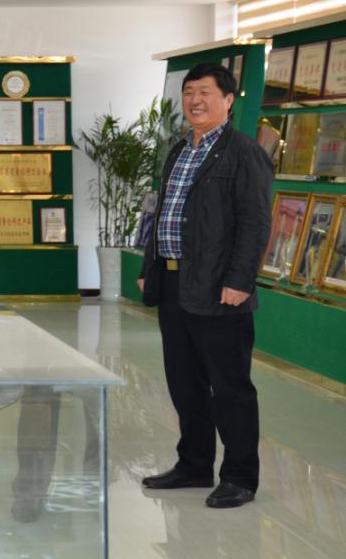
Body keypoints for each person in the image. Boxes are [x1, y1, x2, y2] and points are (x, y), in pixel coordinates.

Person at [137, 62, 272, 509]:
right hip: (175, 284)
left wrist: (240, 280)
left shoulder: (244, 153)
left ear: (228, 100)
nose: (195, 100)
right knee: (185, 383)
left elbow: (255, 223)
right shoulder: (179, 150)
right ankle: (194, 465)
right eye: (189, 91)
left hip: (220, 289)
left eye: (205, 92)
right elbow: (164, 213)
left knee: (229, 387)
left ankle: (240, 477)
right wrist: (151, 264)